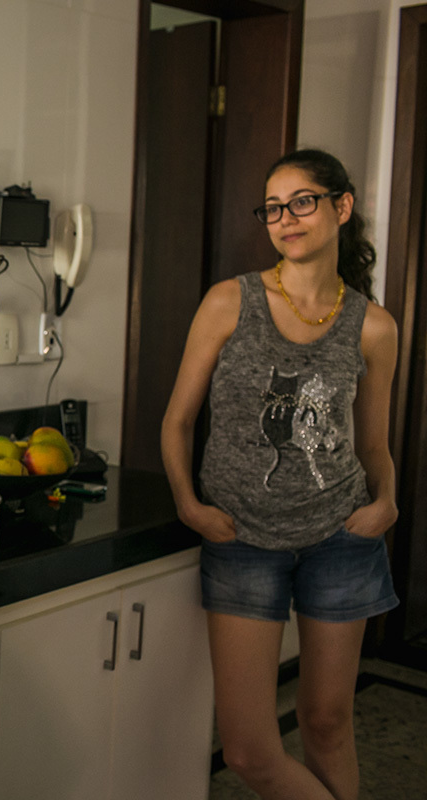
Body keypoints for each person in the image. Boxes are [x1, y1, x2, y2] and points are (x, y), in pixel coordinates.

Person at [161, 148, 399, 800]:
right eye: (273, 206)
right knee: (246, 749)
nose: (285, 217)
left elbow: (373, 442)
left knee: (327, 722)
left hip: (341, 538)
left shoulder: (374, 327)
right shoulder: (228, 302)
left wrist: (388, 503)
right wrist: (190, 503)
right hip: (242, 540)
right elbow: (178, 420)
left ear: (340, 207)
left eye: (302, 201)